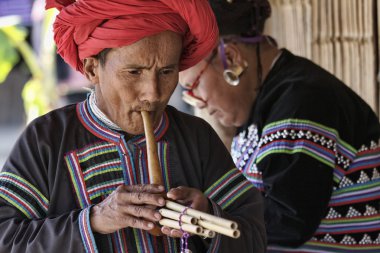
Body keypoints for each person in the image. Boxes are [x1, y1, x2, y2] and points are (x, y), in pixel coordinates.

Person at [0, 0, 267, 252]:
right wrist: (93, 220)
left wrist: (208, 213)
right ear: (93, 69)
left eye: (166, 72)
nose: (153, 93)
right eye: (134, 72)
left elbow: (253, 235)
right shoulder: (47, 139)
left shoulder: (196, 137)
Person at [179, 0, 380, 252]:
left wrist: (211, 213)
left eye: (193, 86)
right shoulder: (263, 103)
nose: (199, 103)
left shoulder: (302, 103)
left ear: (230, 58)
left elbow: (289, 220)